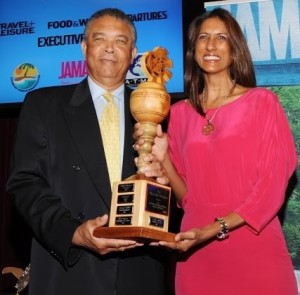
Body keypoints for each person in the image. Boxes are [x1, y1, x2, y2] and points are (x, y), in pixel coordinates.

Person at [135, 7, 298, 295]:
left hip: (254, 246)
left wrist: (212, 229)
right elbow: (188, 198)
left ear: (234, 50)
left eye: (221, 37)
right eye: (203, 37)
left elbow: (272, 186)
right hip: (196, 253)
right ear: (193, 49)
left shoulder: (262, 102)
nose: (211, 45)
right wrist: (164, 160)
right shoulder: (179, 114)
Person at [6, 8, 169, 295]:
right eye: (99, 38)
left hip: (138, 274)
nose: (109, 48)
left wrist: (163, 180)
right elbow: (24, 183)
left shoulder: (154, 111)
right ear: (84, 47)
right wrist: (73, 232)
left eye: (120, 41)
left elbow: (179, 194)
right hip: (71, 270)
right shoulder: (43, 104)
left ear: (133, 54)